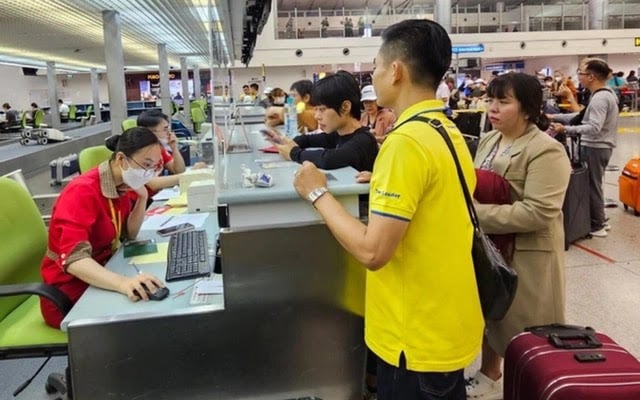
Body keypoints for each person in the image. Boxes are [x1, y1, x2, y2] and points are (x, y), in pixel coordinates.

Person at [292, 19, 483, 400]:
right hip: (446, 320)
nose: (375, 75)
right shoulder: (443, 128)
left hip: (413, 336)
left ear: (396, 71)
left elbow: (373, 251)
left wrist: (317, 194)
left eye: (377, 66)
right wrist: (382, 181)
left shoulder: (405, 143)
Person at [465, 73, 571, 399]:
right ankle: (488, 372)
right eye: (491, 100)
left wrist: (474, 215)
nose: (492, 108)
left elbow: (538, 212)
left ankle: (528, 386)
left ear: (527, 109)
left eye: (503, 101)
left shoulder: (545, 150)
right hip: (493, 245)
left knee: (524, 327)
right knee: (493, 312)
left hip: (527, 253)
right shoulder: (490, 140)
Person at [40, 127, 167, 329]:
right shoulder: (81, 192)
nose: (148, 173)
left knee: (156, 306)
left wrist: (142, 197)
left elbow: (129, 234)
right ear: (121, 160)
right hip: (69, 293)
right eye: (145, 165)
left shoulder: (121, 185)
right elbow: (74, 260)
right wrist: (122, 283)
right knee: (151, 319)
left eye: (153, 167)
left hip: (104, 272)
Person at [549, 58, 619, 238]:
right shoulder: (603, 94)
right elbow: (581, 116)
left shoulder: (600, 98)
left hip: (595, 146)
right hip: (600, 146)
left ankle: (597, 225)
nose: (578, 76)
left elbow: (594, 127)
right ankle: (599, 218)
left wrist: (565, 129)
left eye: (581, 73)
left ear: (592, 77)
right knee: (594, 184)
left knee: (591, 186)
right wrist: (554, 117)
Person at [265, 71, 378, 173]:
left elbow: (328, 159)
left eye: (322, 109)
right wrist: (287, 142)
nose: (317, 116)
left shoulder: (364, 140)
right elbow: (307, 139)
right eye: (316, 109)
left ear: (345, 107)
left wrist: (293, 153)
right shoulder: (338, 134)